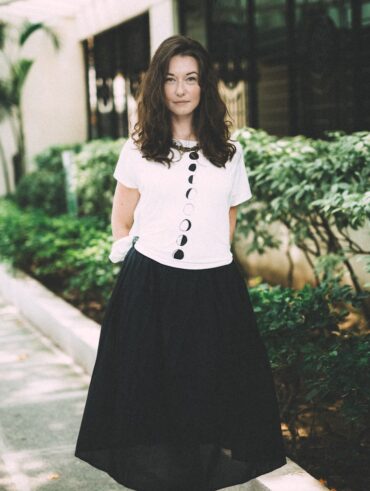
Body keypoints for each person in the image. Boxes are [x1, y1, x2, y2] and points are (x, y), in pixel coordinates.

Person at [74, 34, 287, 491]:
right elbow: (121, 217)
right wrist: (131, 257)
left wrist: (205, 263)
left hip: (211, 288)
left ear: (204, 85)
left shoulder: (229, 153)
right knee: (152, 394)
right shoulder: (139, 147)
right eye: (170, 79)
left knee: (206, 392)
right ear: (157, 86)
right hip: (149, 284)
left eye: (190, 78)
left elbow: (227, 220)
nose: (180, 89)